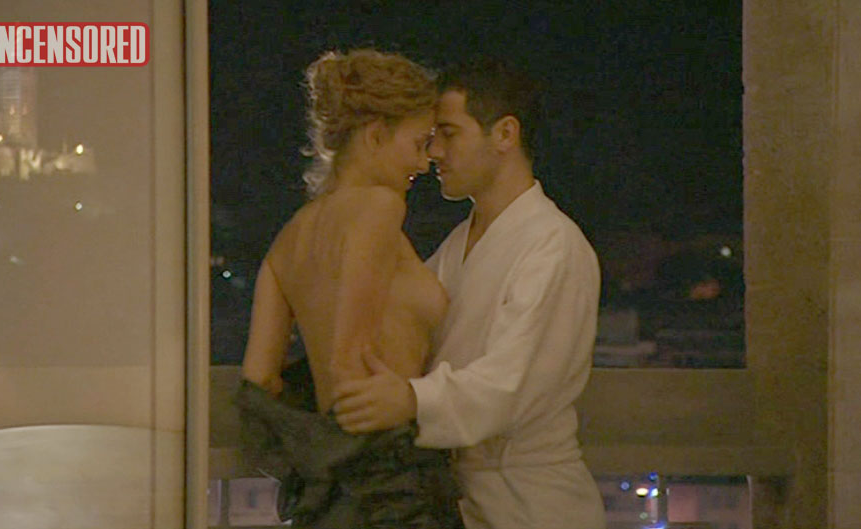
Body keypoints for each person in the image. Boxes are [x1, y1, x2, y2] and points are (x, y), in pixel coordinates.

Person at [333, 59, 608, 529]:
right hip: (459, 494)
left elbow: (510, 383)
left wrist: (411, 401)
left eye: (449, 134)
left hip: (531, 502)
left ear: (505, 134)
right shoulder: (458, 244)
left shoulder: (554, 245)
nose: (434, 151)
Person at [234, 49, 461, 529]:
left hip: (329, 495)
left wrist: (320, 462)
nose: (424, 162)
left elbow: (259, 384)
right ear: (375, 134)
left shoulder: (288, 240)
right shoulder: (380, 208)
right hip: (393, 489)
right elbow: (349, 360)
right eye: (418, 143)